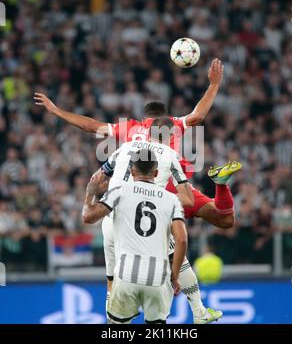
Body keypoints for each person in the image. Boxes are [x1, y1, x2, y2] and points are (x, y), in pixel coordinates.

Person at [33, 58, 237, 231]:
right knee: (225, 219)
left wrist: (57, 110)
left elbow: (91, 126)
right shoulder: (173, 123)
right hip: (174, 186)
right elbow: (198, 116)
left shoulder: (129, 127)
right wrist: (213, 85)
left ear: (144, 117)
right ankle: (220, 185)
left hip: (141, 188)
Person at [99, 117, 222, 323]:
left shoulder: (125, 147)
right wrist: (163, 197)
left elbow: (100, 177)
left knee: (112, 278)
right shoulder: (170, 154)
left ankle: (113, 321)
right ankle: (199, 312)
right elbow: (187, 200)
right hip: (145, 219)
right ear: (171, 136)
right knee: (178, 258)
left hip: (112, 219)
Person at [82, 149, 187, 324]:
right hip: (158, 277)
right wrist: (174, 276)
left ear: (131, 171)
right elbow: (182, 240)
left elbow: (88, 217)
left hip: (126, 274)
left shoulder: (119, 191)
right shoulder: (172, 200)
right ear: (156, 172)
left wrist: (89, 194)